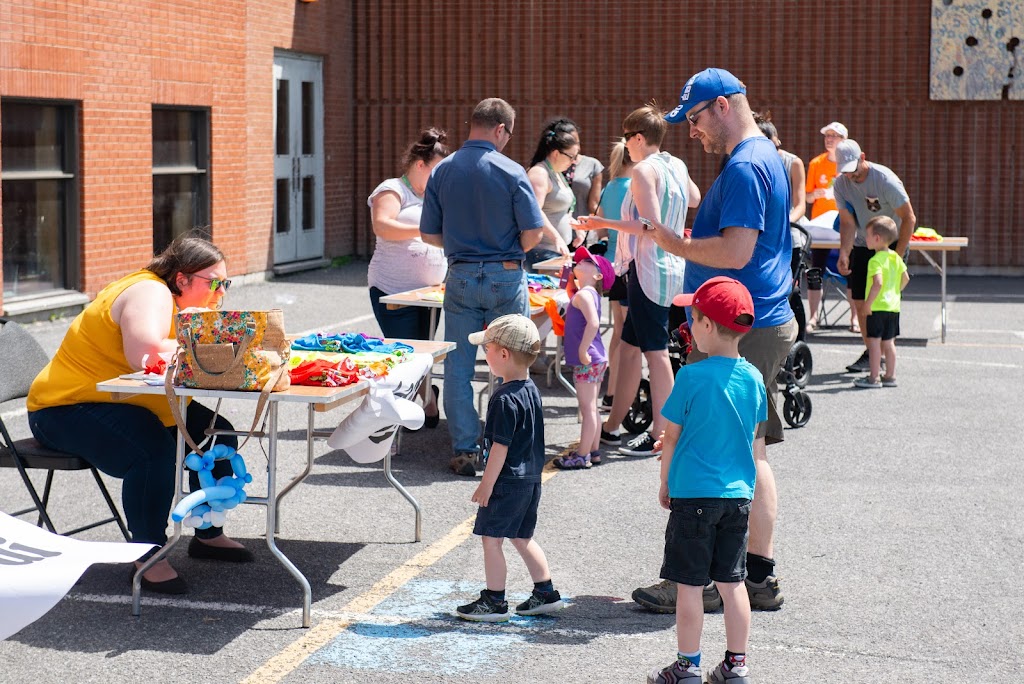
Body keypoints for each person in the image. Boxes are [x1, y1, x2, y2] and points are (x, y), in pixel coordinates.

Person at [639, 67, 797, 614]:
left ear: (725, 106)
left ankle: (704, 580)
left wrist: (671, 243)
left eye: (697, 118)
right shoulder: (760, 158)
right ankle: (755, 576)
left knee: (711, 454)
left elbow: (735, 253)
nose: (692, 131)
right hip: (758, 321)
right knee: (750, 453)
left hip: (744, 326)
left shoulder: (748, 164)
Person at [26, 234, 253, 594]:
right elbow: (145, 354)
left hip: (127, 401)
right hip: (63, 408)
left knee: (216, 432)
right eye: (215, 283)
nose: (221, 292)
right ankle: (148, 553)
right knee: (152, 450)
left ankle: (208, 532)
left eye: (225, 283)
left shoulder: (179, 300)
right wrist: (217, 345)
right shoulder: (151, 292)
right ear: (182, 279)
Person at [419, 98, 546, 477]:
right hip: (505, 272)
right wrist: (506, 254)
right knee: (513, 362)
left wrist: (462, 250)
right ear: (501, 130)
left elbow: (428, 233)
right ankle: (509, 446)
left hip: (459, 273)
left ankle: (464, 449)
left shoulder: (443, 170)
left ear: (471, 123)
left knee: (459, 365)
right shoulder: (511, 170)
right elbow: (534, 232)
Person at [648, 276, 766, 684]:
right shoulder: (753, 378)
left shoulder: (691, 377)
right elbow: (750, 433)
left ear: (709, 326)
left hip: (693, 495)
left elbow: (672, 437)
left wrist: (666, 483)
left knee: (689, 586)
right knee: (733, 583)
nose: (689, 326)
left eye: (693, 319)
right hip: (737, 497)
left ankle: (687, 665)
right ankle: (736, 664)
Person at [574, 102, 701, 458]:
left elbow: (649, 226)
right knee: (630, 349)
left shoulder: (645, 170)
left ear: (640, 138)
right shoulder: (674, 164)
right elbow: (694, 197)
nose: (625, 144)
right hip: (668, 268)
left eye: (627, 137)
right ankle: (613, 426)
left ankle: (661, 432)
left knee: (656, 353)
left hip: (649, 269)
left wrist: (603, 224)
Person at [455, 314, 565, 622]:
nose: (484, 353)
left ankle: (494, 600)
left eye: (487, 348)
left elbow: (499, 448)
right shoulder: (530, 389)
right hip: (529, 479)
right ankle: (545, 592)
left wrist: (486, 484)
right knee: (521, 536)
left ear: (503, 354)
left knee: (491, 540)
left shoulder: (503, 399)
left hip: (505, 482)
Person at [366, 127, 451, 427]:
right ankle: (402, 414)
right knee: (405, 353)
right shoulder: (392, 190)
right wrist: (423, 230)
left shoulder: (435, 195)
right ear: (420, 165)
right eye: (437, 170)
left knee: (424, 352)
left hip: (429, 292)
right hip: (393, 289)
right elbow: (383, 226)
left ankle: (427, 398)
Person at [833, 138, 917, 373]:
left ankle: (884, 354)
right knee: (862, 304)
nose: (850, 176)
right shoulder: (841, 184)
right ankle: (872, 352)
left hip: (891, 244)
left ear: (863, 158)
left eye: (853, 170)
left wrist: (896, 258)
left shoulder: (885, 180)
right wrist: (844, 252)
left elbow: (909, 218)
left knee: (882, 303)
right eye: (845, 172)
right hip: (862, 243)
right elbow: (848, 223)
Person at [552, 246, 614, 470]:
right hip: (596, 358)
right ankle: (593, 450)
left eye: (588, 262)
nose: (581, 262)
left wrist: (582, 349)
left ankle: (582, 454)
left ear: (597, 275)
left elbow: (593, 323)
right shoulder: (588, 294)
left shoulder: (584, 295)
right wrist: (568, 279)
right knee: (592, 407)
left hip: (588, 358)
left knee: (587, 409)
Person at [595, 139, 635, 413]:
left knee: (618, 332)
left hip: (611, 266)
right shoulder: (636, 187)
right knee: (632, 335)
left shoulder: (609, 187)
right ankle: (625, 394)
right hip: (631, 265)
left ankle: (611, 393)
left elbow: (599, 227)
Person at [805, 121, 855, 333]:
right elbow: (806, 197)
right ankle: (813, 317)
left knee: (854, 269)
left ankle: (855, 317)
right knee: (814, 270)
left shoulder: (849, 164)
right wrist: (814, 195)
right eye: (827, 135)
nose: (829, 139)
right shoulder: (816, 163)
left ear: (843, 140)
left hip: (845, 228)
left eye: (834, 136)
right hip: (822, 230)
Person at [853, 216, 909, 389]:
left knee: (875, 343)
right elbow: (905, 278)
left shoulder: (875, 260)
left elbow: (877, 282)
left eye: (867, 236)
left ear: (877, 238)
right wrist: (895, 292)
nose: (865, 239)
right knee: (889, 342)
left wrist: (867, 304)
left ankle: (874, 377)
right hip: (893, 306)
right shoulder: (895, 258)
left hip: (877, 307)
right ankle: (890, 376)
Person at [524, 126, 579, 269]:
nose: (574, 161)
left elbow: (556, 210)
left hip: (555, 251)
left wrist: (575, 226)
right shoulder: (539, 173)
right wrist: (556, 238)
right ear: (556, 153)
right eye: (571, 156)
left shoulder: (557, 173)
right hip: (541, 252)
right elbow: (535, 210)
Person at [753, 111, 806, 224]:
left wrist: (786, 222)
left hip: (789, 226)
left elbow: (800, 205)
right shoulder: (750, 164)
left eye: (776, 147)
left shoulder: (793, 163)